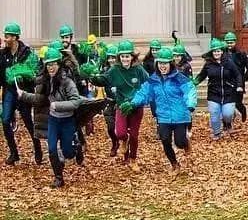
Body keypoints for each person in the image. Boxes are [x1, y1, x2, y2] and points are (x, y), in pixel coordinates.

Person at [121, 46, 198, 172]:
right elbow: (143, 93)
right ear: (157, 64)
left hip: (180, 115)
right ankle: (174, 164)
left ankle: (185, 143)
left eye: (165, 63)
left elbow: (190, 91)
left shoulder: (180, 78)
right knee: (165, 140)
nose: (163, 66)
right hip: (163, 116)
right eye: (160, 63)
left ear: (171, 64)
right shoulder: (153, 80)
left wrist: (190, 104)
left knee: (179, 142)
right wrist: (133, 103)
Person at [16, 48, 84, 188]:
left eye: (53, 64)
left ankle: (76, 147)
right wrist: (23, 94)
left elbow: (76, 101)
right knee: (52, 149)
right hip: (53, 120)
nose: (50, 67)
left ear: (59, 64)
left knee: (67, 153)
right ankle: (58, 177)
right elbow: (40, 98)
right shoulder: (46, 80)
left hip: (67, 120)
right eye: (48, 64)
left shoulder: (67, 81)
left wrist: (58, 105)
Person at [91, 40, 148, 169]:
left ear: (132, 56)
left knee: (134, 135)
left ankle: (132, 159)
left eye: (127, 56)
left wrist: (140, 98)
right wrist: (92, 77)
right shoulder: (114, 70)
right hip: (121, 105)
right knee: (120, 133)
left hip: (136, 106)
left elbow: (148, 83)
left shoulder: (139, 69)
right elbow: (103, 79)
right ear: (119, 57)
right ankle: (123, 141)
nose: (125, 59)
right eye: (122, 56)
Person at [0, 22, 42, 165]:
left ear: (15, 37)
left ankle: (37, 148)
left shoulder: (27, 53)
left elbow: (34, 73)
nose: (5, 39)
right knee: (5, 121)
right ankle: (14, 153)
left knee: (28, 123)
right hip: (9, 92)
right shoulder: (2, 54)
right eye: (5, 36)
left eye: (7, 36)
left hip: (24, 93)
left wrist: (24, 77)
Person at [194, 38, 242, 140]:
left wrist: (239, 85)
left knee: (227, 114)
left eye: (218, 51)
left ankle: (228, 122)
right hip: (213, 93)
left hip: (229, 93)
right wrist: (194, 83)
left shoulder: (229, 62)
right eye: (214, 51)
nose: (216, 53)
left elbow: (237, 74)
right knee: (214, 113)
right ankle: (216, 133)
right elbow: (201, 75)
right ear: (212, 52)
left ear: (222, 51)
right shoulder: (208, 64)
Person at [223, 32, 248, 123]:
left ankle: (243, 111)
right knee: (226, 103)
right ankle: (227, 122)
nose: (229, 45)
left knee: (237, 103)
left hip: (238, 83)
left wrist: (244, 78)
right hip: (226, 82)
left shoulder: (241, 54)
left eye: (231, 42)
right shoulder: (222, 54)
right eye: (227, 42)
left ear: (235, 42)